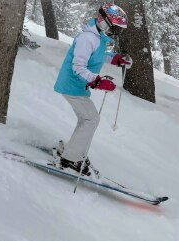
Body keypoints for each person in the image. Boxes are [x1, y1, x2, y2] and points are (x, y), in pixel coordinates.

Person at [52, 3, 132, 176]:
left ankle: (73, 152)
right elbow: (78, 67)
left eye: (119, 30)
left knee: (86, 120)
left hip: (77, 86)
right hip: (72, 84)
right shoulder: (87, 38)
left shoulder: (97, 38)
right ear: (104, 22)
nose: (116, 33)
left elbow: (98, 56)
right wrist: (97, 81)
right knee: (91, 119)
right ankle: (71, 159)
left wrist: (116, 59)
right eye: (115, 28)